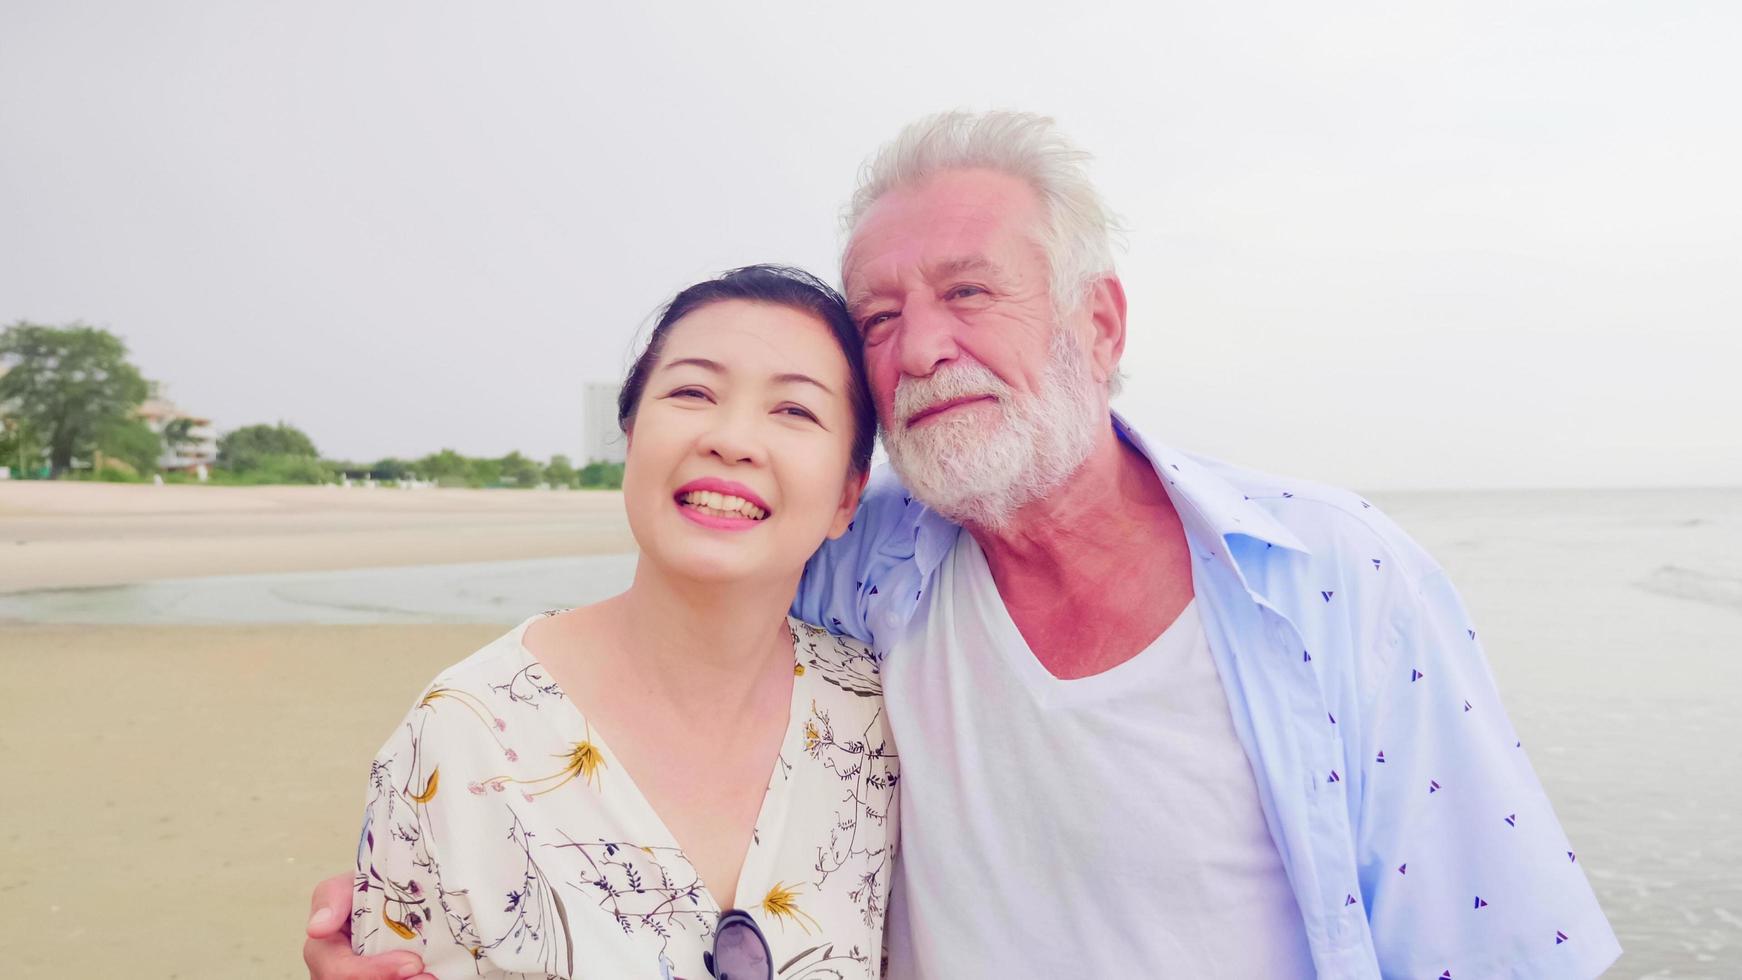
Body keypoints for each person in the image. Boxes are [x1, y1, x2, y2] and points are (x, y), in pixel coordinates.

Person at [309, 112, 1619, 979]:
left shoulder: (1333, 580)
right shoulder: (868, 571)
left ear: (1098, 324)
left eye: (968, 292)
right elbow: (662, 647)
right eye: (878, 317)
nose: (922, 346)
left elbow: (1500, 946)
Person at [340, 266, 898, 979]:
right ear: (631, 438)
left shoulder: (877, 718)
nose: (732, 439)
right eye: (693, 393)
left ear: (849, 495)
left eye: (794, 411)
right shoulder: (464, 735)